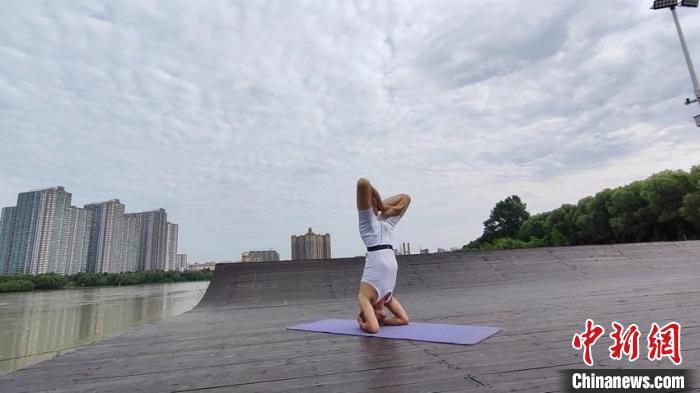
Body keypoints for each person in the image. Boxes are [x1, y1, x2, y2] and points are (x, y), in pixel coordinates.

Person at [355, 177, 411, 334]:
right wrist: (386, 321)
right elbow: (404, 319)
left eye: (379, 317)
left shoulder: (365, 298)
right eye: (383, 318)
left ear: (369, 314)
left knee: (363, 183)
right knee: (406, 198)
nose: (383, 316)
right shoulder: (387, 298)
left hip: (372, 235)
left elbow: (374, 329)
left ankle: (381, 206)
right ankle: (383, 208)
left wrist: (362, 324)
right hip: (387, 231)